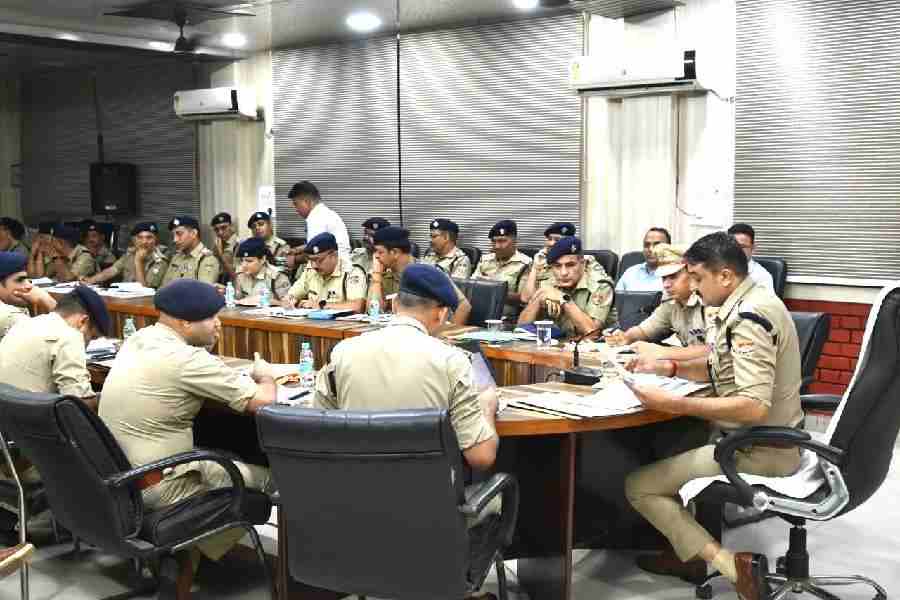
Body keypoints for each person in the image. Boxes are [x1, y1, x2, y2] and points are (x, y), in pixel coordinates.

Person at [622, 232, 803, 600]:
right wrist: (668, 368)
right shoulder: (746, 302)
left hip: (757, 448)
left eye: (697, 278)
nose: (693, 286)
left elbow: (753, 405)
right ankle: (685, 555)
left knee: (640, 486)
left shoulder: (750, 316)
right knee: (673, 445)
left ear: (724, 276)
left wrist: (674, 403)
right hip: (760, 437)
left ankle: (731, 566)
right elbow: (719, 368)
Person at [99, 279, 276, 565]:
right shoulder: (186, 359)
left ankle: (189, 557)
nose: (219, 324)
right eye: (211, 318)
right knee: (275, 477)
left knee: (221, 446)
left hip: (122, 480)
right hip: (161, 485)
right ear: (185, 323)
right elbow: (264, 401)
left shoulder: (139, 339)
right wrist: (266, 375)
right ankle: (192, 559)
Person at [314, 262, 499, 491]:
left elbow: (318, 428)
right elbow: (481, 457)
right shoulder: (452, 361)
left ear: (394, 304)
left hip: (353, 495)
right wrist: (487, 407)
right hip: (428, 502)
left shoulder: (342, 352)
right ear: (442, 314)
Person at [0, 286, 110, 413]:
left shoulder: (25, 324)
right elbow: (80, 406)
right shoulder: (69, 336)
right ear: (83, 321)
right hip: (32, 419)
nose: (87, 344)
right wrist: (105, 398)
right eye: (92, 337)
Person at [604, 244, 709, 361]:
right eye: (664, 278)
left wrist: (663, 352)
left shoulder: (710, 300)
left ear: (692, 274)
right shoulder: (671, 302)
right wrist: (625, 337)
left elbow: (715, 351)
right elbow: (645, 331)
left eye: (673, 277)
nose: (666, 284)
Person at [368, 226, 472, 326]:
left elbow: (463, 306)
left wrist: (447, 332)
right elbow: (373, 313)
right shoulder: (382, 273)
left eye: (380, 252)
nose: (375, 256)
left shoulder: (428, 272)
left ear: (395, 253)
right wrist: (376, 278)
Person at [517, 236, 615, 336]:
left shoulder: (601, 285)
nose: (563, 273)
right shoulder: (549, 281)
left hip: (593, 344)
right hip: (558, 341)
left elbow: (592, 333)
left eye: (570, 265)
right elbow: (520, 328)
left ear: (583, 263)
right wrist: (538, 299)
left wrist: (563, 299)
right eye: (557, 266)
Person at [520, 221, 609, 302]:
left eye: (557, 240)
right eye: (549, 239)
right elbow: (526, 298)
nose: (551, 243)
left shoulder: (585, 261)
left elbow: (599, 286)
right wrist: (535, 267)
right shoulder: (540, 260)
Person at [282, 232, 367, 312]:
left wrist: (320, 305)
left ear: (334, 255)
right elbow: (292, 295)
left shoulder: (351, 272)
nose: (314, 265)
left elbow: (357, 307)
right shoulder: (310, 270)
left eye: (319, 260)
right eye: (311, 260)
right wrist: (290, 300)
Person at [471, 220, 532, 319]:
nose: (497, 246)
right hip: (478, 312)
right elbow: (471, 286)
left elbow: (523, 298)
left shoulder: (525, 264)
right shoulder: (485, 260)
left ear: (515, 241)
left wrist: (493, 290)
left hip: (506, 317)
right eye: (493, 241)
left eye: (502, 241)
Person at [83, 222, 169, 289]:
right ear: (134, 240)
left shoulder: (161, 259)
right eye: (140, 237)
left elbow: (144, 289)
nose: (144, 242)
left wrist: (138, 261)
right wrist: (90, 280)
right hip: (125, 297)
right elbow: (112, 270)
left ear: (156, 239)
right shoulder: (130, 254)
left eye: (149, 237)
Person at [288, 181, 351, 261]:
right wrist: (297, 250)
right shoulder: (323, 213)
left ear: (307, 202)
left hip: (335, 264)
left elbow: (314, 253)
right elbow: (318, 244)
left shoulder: (316, 219)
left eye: (296, 204)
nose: (295, 209)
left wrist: (293, 260)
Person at [0, 251, 56, 340]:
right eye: (20, 280)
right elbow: (61, 338)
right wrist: (49, 302)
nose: (29, 286)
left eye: (28, 280)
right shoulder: (8, 316)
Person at [160, 217, 220, 287]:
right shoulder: (176, 257)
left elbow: (203, 291)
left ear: (193, 233)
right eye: (173, 235)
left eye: (179, 234)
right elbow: (164, 286)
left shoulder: (207, 259)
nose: (175, 239)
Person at [29, 224, 96, 282]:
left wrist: (54, 256)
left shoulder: (84, 256)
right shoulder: (60, 254)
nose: (49, 243)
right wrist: (34, 253)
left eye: (52, 240)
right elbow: (39, 277)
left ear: (60, 242)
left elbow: (69, 279)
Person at [233, 238, 291, 302]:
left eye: (249, 261)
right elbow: (236, 300)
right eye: (242, 260)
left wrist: (267, 301)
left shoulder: (276, 277)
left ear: (262, 259)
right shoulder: (240, 275)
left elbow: (287, 303)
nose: (244, 265)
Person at [616, 227, 670, 292]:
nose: (650, 249)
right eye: (646, 245)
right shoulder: (631, 272)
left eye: (657, 245)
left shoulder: (675, 275)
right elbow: (617, 296)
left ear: (669, 248)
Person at [727, 223, 775, 292]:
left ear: (753, 248)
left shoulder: (762, 277)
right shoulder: (719, 268)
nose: (736, 250)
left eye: (742, 247)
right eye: (733, 246)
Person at [210, 212, 240, 281]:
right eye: (216, 230)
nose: (220, 232)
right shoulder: (218, 244)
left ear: (231, 226)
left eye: (224, 228)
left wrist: (220, 254)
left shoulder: (239, 244)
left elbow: (236, 275)